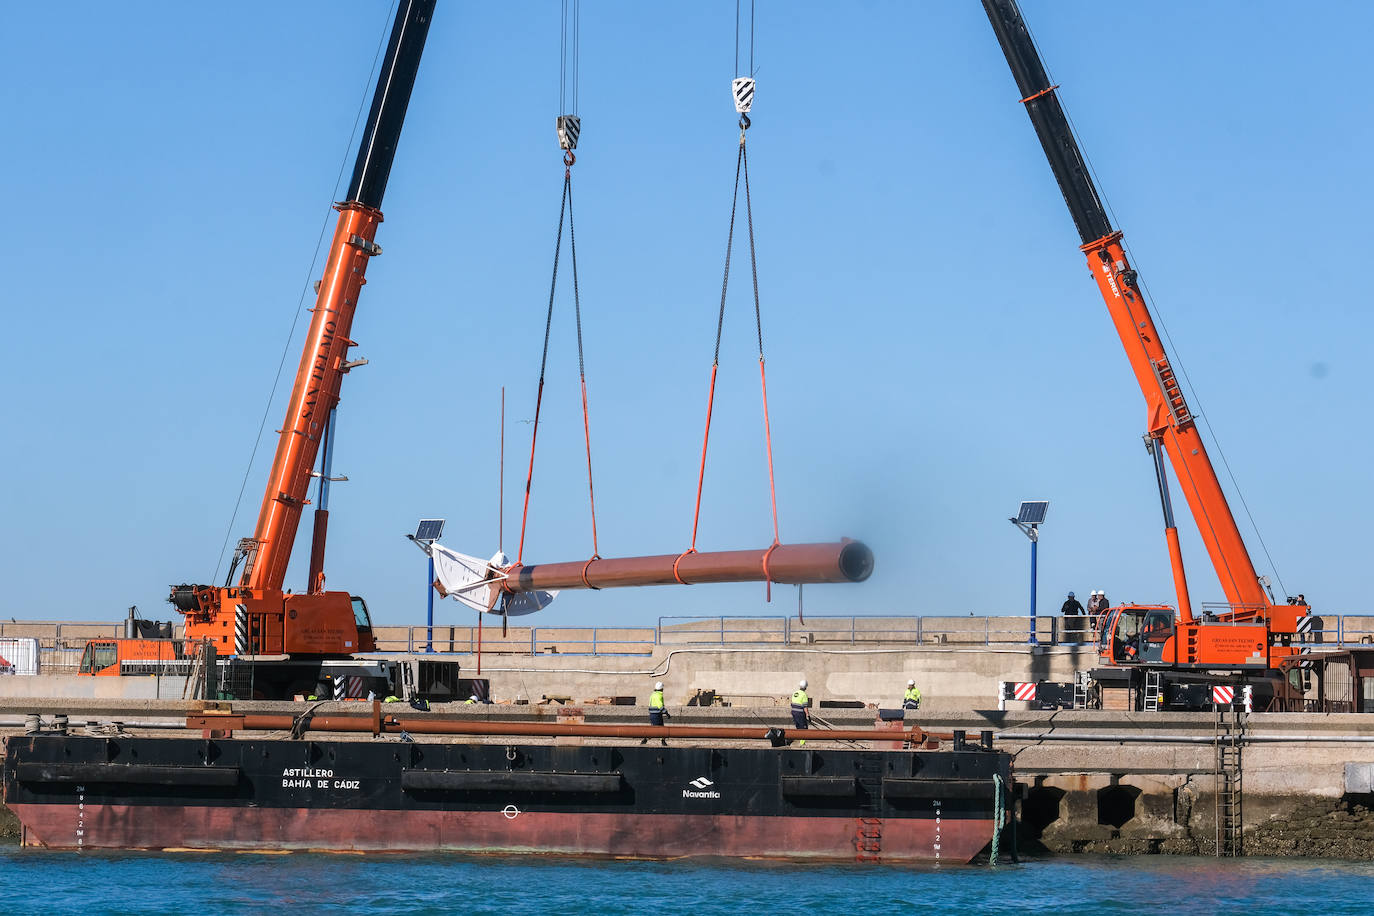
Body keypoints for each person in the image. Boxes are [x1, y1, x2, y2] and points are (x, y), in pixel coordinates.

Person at [642, 681, 668, 746]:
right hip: (657, 715)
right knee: (659, 729)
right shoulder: (659, 695)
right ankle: (647, 739)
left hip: (652, 714)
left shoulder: (652, 695)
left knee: (655, 728)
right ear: (661, 689)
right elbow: (660, 705)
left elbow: (650, 704)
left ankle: (662, 741)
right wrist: (666, 713)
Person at [790, 679, 810, 746]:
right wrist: (808, 715)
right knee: (804, 728)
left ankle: (797, 741)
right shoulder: (804, 695)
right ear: (806, 687)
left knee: (798, 728)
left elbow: (792, 703)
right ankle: (802, 743)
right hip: (800, 714)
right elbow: (805, 707)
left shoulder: (795, 693)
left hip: (794, 712)